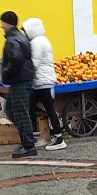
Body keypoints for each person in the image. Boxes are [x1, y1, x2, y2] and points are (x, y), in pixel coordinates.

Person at [22, 17, 66, 151]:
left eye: (26, 31)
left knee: (46, 109)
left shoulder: (36, 42)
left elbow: (34, 63)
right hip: (43, 82)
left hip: (42, 82)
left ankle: (58, 138)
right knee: (36, 106)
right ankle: (39, 135)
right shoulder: (43, 40)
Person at [0, 11, 38, 158]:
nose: (1, 25)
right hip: (21, 79)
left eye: (2, 22)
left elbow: (15, 60)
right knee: (10, 109)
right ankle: (27, 137)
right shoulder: (18, 37)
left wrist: (6, 73)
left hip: (19, 80)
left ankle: (29, 145)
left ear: (8, 23)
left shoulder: (13, 39)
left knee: (20, 112)